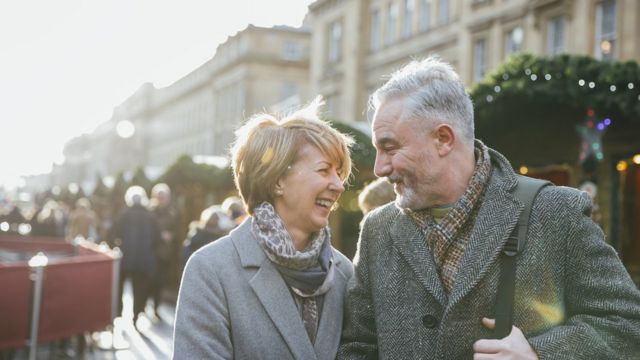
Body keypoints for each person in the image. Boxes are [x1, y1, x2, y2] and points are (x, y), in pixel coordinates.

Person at [337, 57, 640, 359]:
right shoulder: (377, 228)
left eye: (389, 148)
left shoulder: (556, 211)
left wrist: (540, 353)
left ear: (443, 139)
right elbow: (357, 346)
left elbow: (627, 326)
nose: (379, 168)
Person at [173, 98, 354, 359]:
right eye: (324, 170)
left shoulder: (345, 272)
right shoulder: (211, 269)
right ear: (278, 180)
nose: (338, 185)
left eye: (339, 173)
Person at [110, 186, 161, 329]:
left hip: (126, 257)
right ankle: (136, 314)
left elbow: (113, 234)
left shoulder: (123, 214)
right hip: (145, 259)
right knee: (140, 288)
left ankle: (118, 312)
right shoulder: (151, 216)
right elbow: (158, 238)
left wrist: (119, 245)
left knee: (120, 285)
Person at [149, 183, 179, 320]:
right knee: (149, 281)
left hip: (165, 253)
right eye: (159, 196)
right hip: (150, 252)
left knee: (159, 282)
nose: (162, 199)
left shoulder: (173, 212)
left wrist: (172, 235)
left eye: (164, 197)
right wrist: (159, 234)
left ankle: (156, 307)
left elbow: (177, 231)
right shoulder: (150, 212)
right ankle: (143, 306)